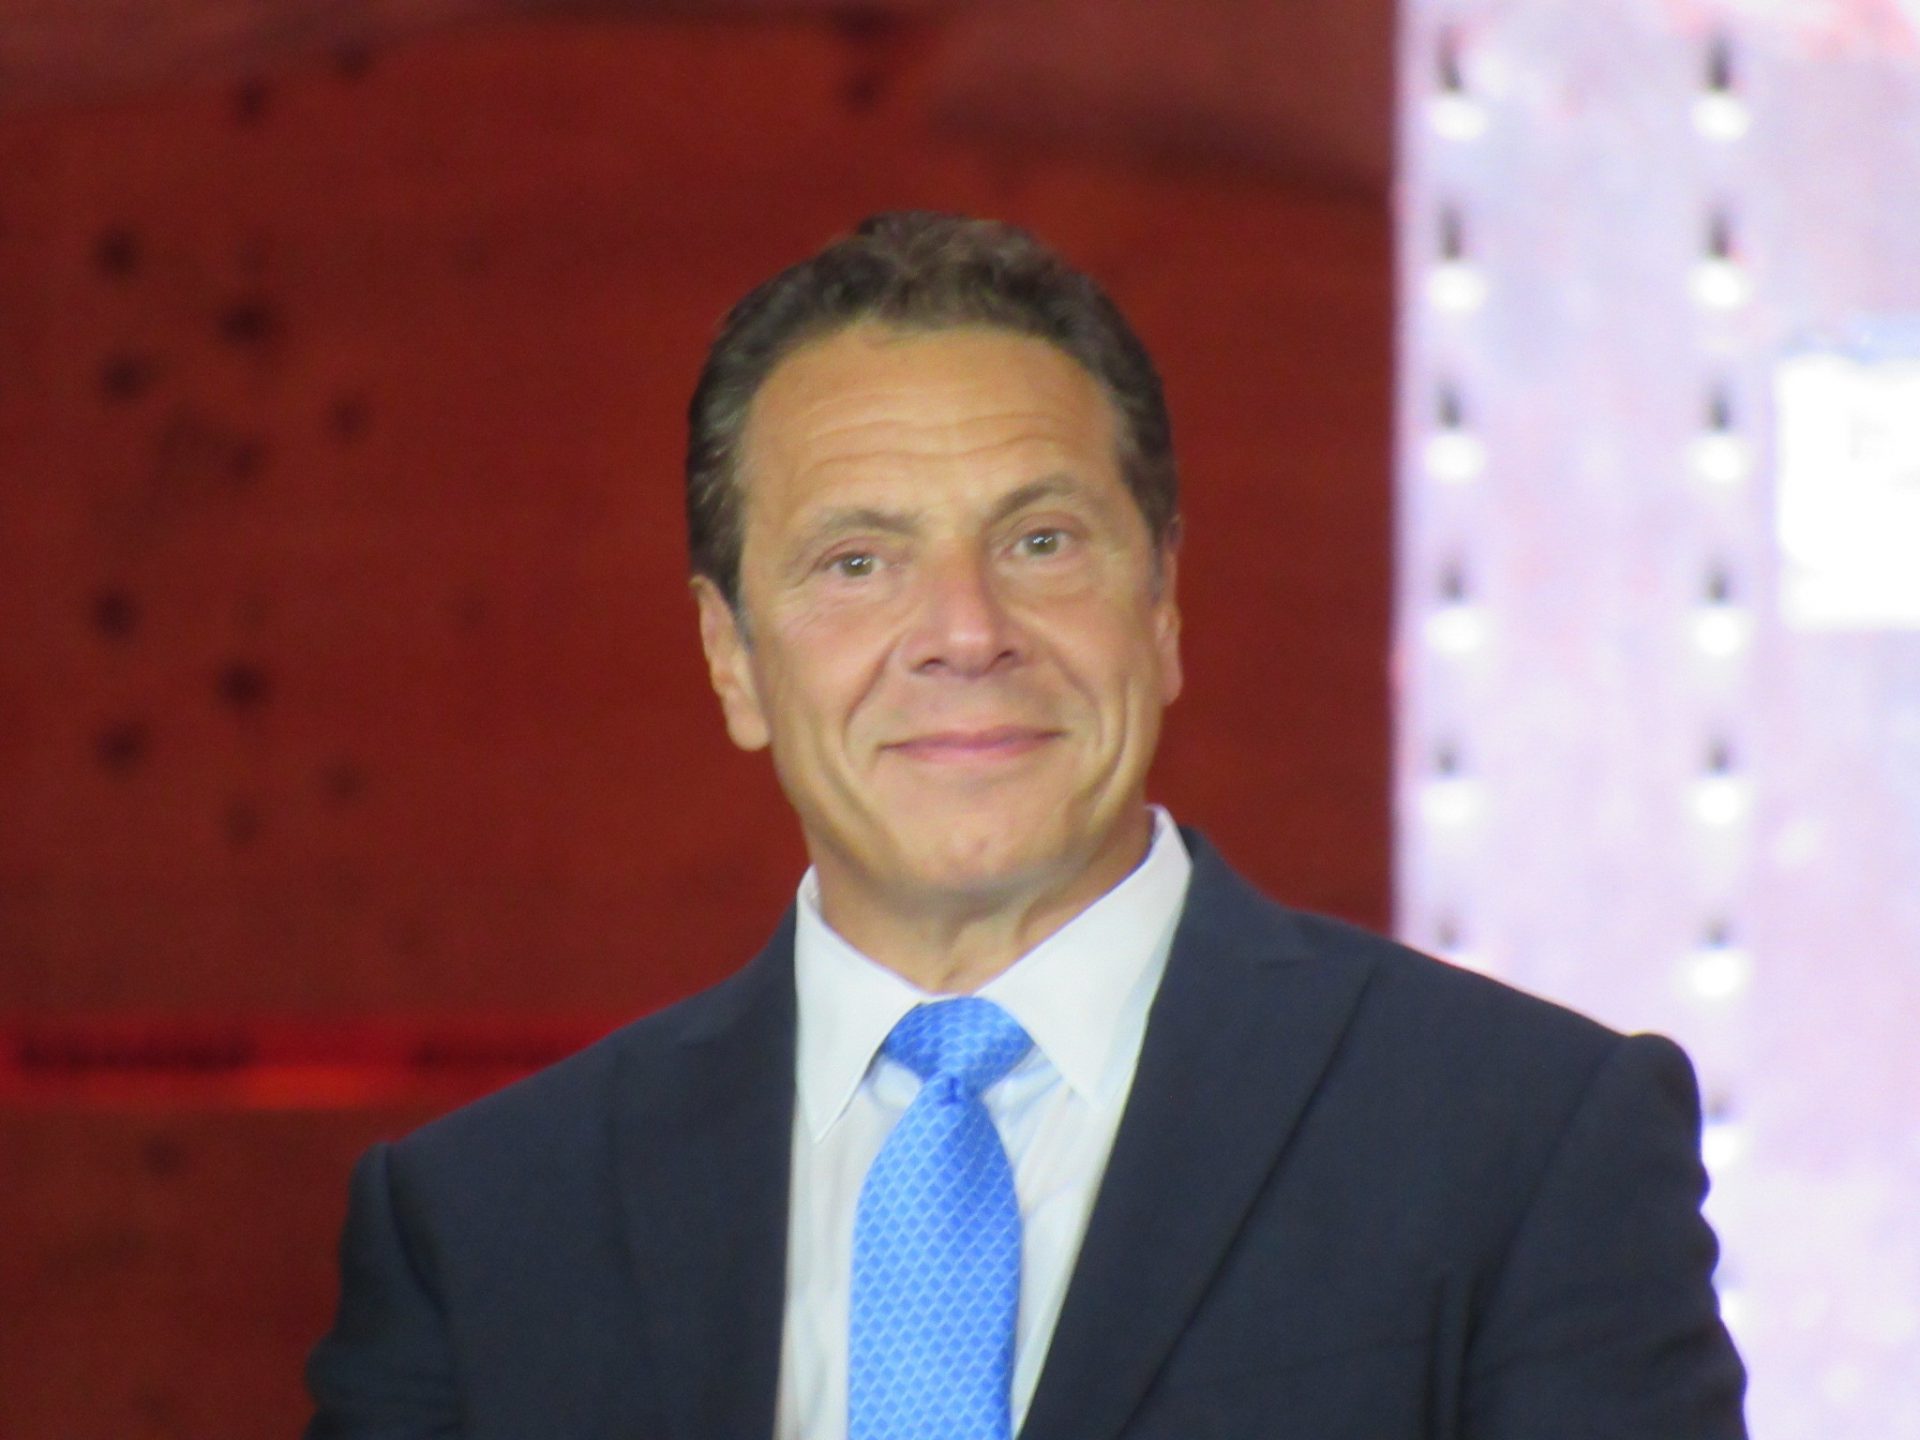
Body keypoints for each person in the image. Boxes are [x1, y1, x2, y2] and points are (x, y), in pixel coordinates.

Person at [304, 211, 1748, 1440]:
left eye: (1041, 542)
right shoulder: (482, 1226)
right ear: (732, 658)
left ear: (1162, 608)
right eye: (856, 561)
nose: (965, 629)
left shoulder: (1527, 1141)